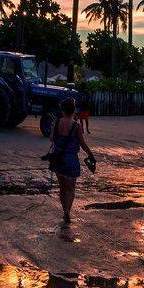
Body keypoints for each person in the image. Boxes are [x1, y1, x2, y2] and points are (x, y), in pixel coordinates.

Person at [48, 97, 95, 232]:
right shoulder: (76, 126)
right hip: (71, 160)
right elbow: (82, 143)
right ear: (73, 110)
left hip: (58, 159)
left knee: (62, 187)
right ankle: (68, 211)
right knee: (71, 189)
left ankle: (64, 210)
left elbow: (51, 138)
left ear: (62, 109)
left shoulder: (57, 122)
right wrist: (90, 154)